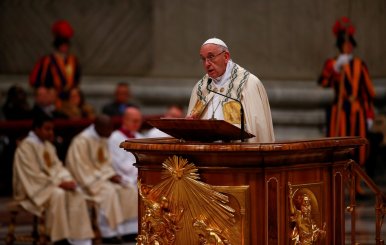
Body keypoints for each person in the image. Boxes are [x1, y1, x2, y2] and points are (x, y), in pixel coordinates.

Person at [13, 115, 94, 245]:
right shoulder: (26, 147)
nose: (51, 132)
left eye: (52, 129)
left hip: (48, 185)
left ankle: (79, 239)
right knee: (59, 194)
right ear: (36, 129)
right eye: (47, 129)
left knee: (76, 192)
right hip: (31, 189)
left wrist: (68, 180)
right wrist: (59, 183)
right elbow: (31, 175)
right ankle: (58, 238)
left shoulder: (48, 146)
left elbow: (58, 168)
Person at [66, 115, 138, 243]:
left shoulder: (102, 137)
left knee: (127, 189)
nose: (110, 133)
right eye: (108, 129)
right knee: (108, 191)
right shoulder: (81, 141)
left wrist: (111, 175)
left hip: (101, 178)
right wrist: (106, 176)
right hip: (86, 180)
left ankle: (127, 230)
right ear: (98, 127)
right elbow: (80, 168)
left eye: (111, 129)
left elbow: (105, 163)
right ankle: (108, 233)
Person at [187, 38, 275, 143]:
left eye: (211, 57)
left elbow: (258, 129)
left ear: (226, 57)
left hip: (237, 154)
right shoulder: (201, 88)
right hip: (207, 154)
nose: (207, 64)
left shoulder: (248, 84)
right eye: (203, 59)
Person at [317, 17, 376, 167]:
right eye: (345, 44)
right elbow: (323, 82)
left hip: (358, 111)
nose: (348, 47)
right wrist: (335, 68)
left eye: (350, 44)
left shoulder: (359, 64)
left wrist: (369, 114)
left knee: (359, 148)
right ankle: (341, 181)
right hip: (340, 111)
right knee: (340, 147)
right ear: (340, 46)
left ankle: (356, 184)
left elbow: (368, 91)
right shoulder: (333, 63)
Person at [29, 20, 81, 101]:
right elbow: (38, 81)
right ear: (57, 46)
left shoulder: (73, 60)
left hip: (70, 97)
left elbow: (77, 77)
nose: (64, 48)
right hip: (53, 97)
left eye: (66, 45)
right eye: (62, 45)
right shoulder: (47, 60)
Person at [108, 106, 144, 186]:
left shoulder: (141, 137)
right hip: (125, 179)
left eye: (139, 121)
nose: (137, 124)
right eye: (135, 121)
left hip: (140, 175)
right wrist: (141, 170)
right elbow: (120, 164)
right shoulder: (114, 138)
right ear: (125, 120)